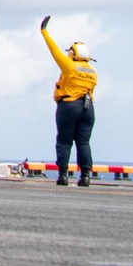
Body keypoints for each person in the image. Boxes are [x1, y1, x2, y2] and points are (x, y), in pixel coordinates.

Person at [41, 15, 97, 187]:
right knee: (83, 142)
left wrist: (44, 31)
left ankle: (63, 175)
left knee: (64, 141)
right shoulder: (93, 71)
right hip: (88, 109)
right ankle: (86, 176)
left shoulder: (70, 66)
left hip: (69, 106)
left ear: (73, 54)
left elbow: (54, 49)